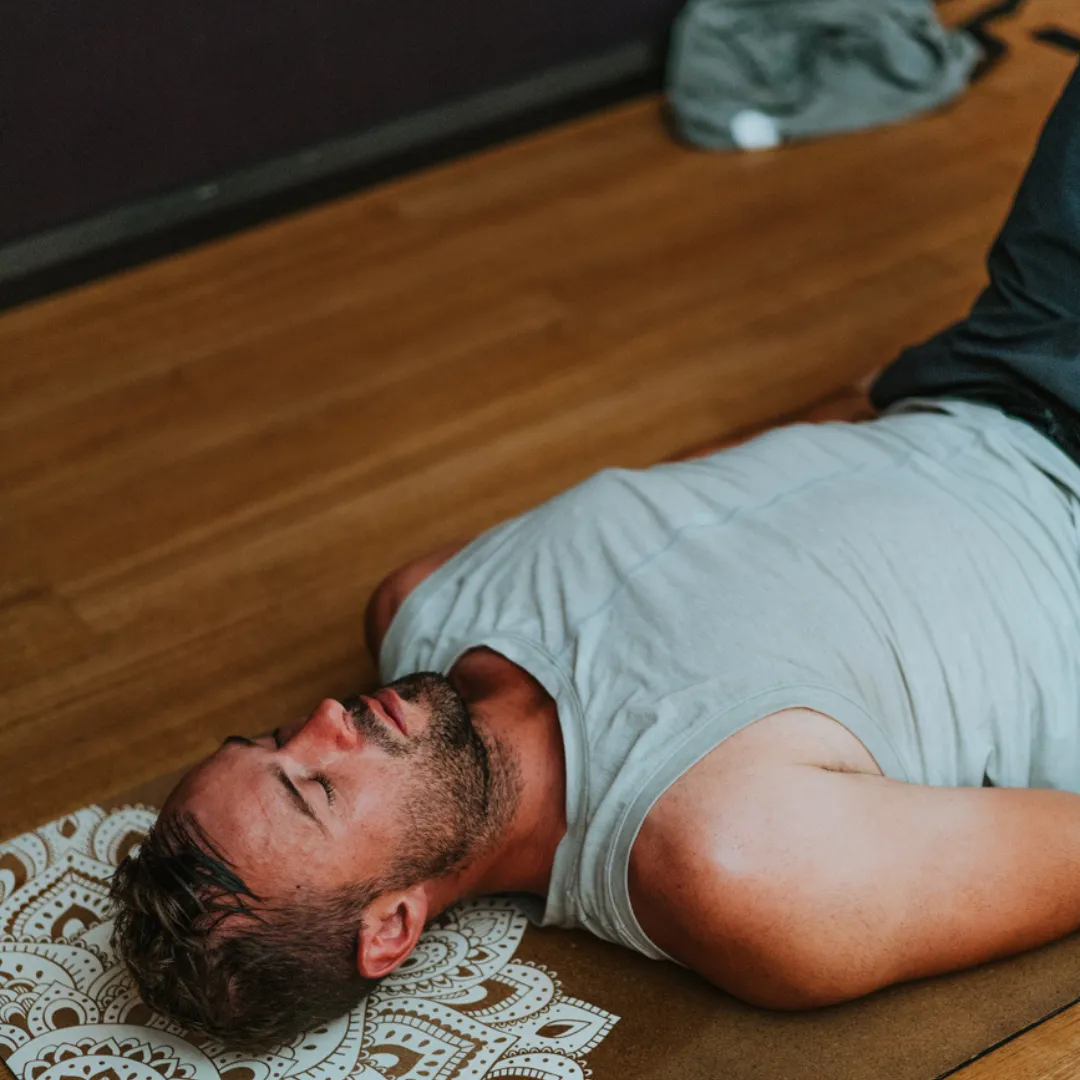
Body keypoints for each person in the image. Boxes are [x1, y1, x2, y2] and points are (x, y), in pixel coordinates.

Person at [111, 63, 1080, 1053]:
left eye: (276, 736)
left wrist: (865, 396)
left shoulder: (426, 600)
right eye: (317, 787)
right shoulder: (735, 869)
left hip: (988, 365)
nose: (326, 719)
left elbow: (701, 492)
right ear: (391, 925)